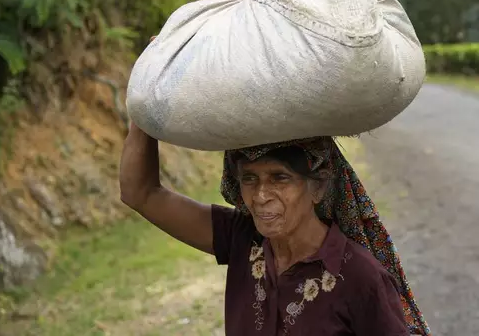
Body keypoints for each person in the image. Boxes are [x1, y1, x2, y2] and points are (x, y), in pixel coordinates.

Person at [119, 122, 431, 335]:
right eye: (249, 179)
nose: (260, 196)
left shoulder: (361, 278)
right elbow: (141, 193)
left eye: (279, 178)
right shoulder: (243, 238)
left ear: (318, 187)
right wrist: (143, 103)